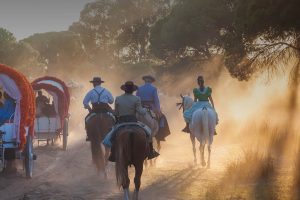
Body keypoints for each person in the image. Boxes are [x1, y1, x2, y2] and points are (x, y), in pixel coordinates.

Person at [103, 81, 159, 162]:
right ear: (133, 90)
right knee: (149, 132)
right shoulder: (137, 98)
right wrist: (146, 109)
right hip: (134, 121)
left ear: (124, 90)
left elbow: (116, 113)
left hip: (121, 122)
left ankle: (113, 153)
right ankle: (151, 151)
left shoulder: (118, 98)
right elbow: (141, 112)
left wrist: (113, 111)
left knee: (110, 136)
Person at [137, 75, 171, 141]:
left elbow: (136, 98)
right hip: (151, 106)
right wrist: (158, 111)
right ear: (151, 81)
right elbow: (156, 100)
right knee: (162, 117)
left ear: (144, 80)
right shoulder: (154, 89)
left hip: (140, 106)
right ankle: (160, 134)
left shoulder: (139, 88)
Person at [83, 77, 114, 141]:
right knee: (114, 117)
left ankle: (88, 134)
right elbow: (111, 101)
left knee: (86, 119)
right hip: (105, 109)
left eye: (93, 83)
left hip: (95, 110)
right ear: (100, 83)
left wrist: (89, 109)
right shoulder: (106, 91)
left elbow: (85, 102)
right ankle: (113, 133)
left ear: (94, 83)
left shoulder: (91, 92)